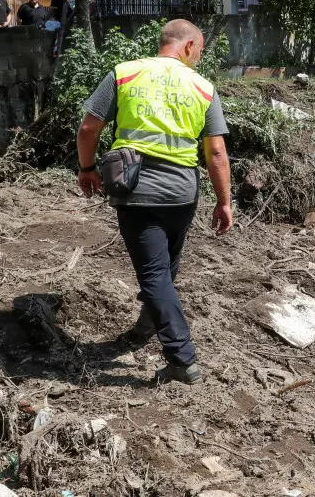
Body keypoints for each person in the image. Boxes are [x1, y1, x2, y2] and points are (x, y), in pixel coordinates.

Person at [75, 20, 232, 385]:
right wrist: (224, 202)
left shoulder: (124, 74)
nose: (200, 57)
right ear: (190, 45)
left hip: (137, 191)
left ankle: (182, 360)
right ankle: (147, 326)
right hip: (182, 194)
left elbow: (88, 129)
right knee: (165, 271)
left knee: (154, 274)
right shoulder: (203, 88)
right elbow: (217, 153)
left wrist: (87, 168)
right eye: (201, 51)